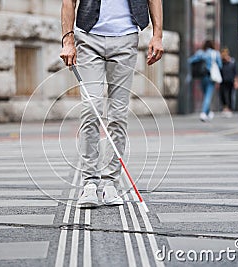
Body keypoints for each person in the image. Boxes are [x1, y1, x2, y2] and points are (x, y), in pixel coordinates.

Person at [60, 0, 164, 208]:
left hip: (126, 38)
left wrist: (157, 35)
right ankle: (89, 183)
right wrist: (68, 40)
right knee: (91, 109)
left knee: (117, 115)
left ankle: (110, 183)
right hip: (88, 37)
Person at [189, 40, 222, 122]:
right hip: (211, 77)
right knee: (208, 95)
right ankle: (203, 113)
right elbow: (220, 65)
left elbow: (190, 60)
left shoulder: (200, 53)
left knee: (205, 95)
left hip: (202, 77)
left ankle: (208, 112)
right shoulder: (215, 53)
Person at [219, 48, 238, 118]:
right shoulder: (221, 62)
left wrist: (236, 81)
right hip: (223, 81)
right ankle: (225, 108)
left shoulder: (232, 61)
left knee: (230, 95)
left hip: (230, 80)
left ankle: (230, 109)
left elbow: (235, 72)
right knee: (223, 95)